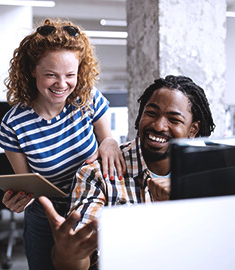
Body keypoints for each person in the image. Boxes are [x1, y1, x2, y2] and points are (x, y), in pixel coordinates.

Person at [40, 75, 216, 269]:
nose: (158, 126)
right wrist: (69, 256)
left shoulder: (208, 174)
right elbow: (83, 250)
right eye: (151, 113)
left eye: (173, 119)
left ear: (193, 129)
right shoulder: (97, 173)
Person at [0, 18, 125, 269]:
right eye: (51, 75)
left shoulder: (88, 100)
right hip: (45, 214)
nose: (62, 84)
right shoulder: (14, 124)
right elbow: (27, 184)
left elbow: (107, 140)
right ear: (32, 70)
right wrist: (18, 198)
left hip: (93, 203)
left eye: (70, 75)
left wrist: (110, 143)